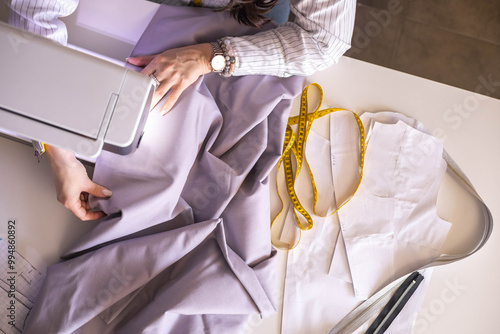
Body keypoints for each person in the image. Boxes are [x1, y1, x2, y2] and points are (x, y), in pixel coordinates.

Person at [6, 0, 356, 220]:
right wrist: (56, 148)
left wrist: (213, 57)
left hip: (252, 10)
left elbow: (325, 40)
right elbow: (35, 14)